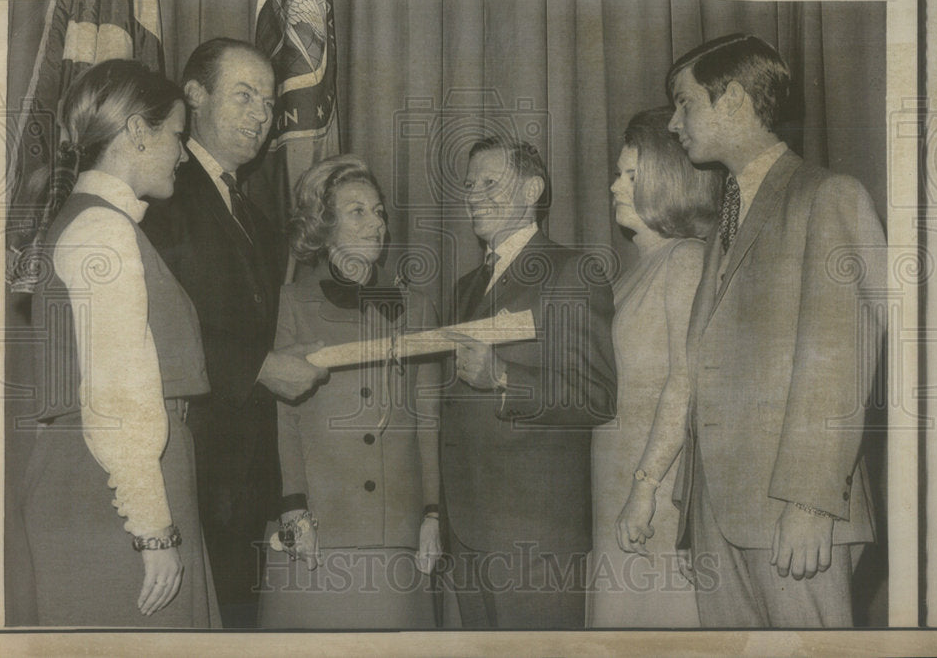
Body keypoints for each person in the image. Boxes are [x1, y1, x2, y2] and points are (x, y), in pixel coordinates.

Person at [668, 34, 886, 627]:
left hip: (795, 512)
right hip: (720, 517)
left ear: (734, 99)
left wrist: (810, 502)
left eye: (685, 103)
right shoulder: (726, 221)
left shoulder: (828, 197)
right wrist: (695, 514)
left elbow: (840, 358)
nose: (672, 123)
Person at [15, 59, 220, 626]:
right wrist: (153, 531)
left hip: (114, 483)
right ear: (137, 131)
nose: (182, 154)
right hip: (112, 494)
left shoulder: (96, 222)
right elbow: (117, 397)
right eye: (178, 135)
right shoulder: (102, 229)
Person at [141, 38, 327, 627]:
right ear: (194, 95)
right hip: (188, 468)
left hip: (245, 481)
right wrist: (259, 366)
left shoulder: (255, 215)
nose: (261, 117)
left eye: (269, 103)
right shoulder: (161, 193)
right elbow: (150, 319)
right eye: (243, 96)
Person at [256, 154, 443, 628]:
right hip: (318, 524)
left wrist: (432, 514)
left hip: (397, 531)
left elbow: (428, 417)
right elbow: (284, 419)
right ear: (324, 222)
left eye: (378, 211)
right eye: (357, 210)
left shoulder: (417, 306)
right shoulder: (291, 303)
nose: (375, 222)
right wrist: (294, 508)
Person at [440, 135, 618, 629]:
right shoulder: (463, 289)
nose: (474, 194)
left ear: (533, 189)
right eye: (470, 184)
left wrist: (502, 376)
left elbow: (596, 395)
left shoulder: (572, 272)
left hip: (536, 537)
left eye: (491, 183)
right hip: (468, 532)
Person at [588, 108, 722, 628]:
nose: (614, 186)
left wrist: (644, 488)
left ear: (667, 182)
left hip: (653, 493)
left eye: (631, 176)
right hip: (616, 486)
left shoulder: (686, 259)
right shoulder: (631, 276)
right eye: (619, 174)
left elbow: (685, 382)